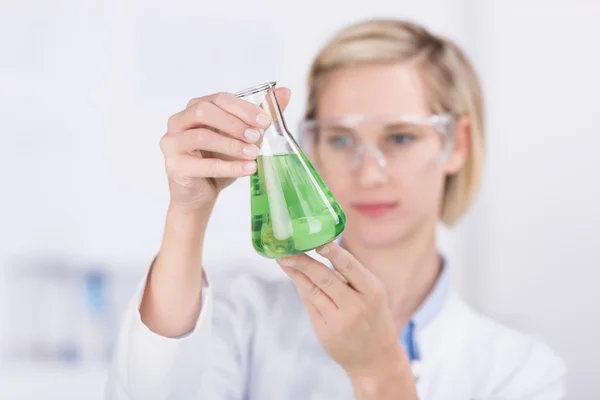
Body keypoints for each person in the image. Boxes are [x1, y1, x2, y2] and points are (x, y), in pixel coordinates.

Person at [106, 19, 566, 399]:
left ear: (455, 143)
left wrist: (379, 371)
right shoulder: (247, 318)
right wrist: (188, 211)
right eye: (341, 139)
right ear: (313, 147)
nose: (369, 174)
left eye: (400, 137)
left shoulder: (519, 372)